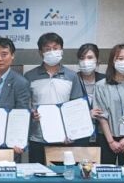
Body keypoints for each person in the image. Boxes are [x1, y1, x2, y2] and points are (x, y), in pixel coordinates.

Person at [25, 32, 84, 165]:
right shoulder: (29, 76)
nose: (52, 52)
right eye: (47, 49)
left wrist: (72, 133)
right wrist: (31, 113)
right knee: (37, 175)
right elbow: (24, 105)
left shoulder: (72, 76)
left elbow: (77, 108)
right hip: (38, 138)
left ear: (61, 50)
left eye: (55, 48)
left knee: (63, 175)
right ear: (41, 53)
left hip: (64, 138)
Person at [93, 44, 124, 165]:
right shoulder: (101, 85)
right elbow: (101, 116)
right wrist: (111, 141)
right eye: (120, 58)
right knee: (106, 172)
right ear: (112, 61)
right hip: (107, 136)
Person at [77, 43, 106, 146]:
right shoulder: (73, 80)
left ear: (97, 60)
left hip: (103, 134)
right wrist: (86, 115)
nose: (86, 61)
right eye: (82, 58)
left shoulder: (106, 80)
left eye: (90, 57)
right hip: (79, 135)